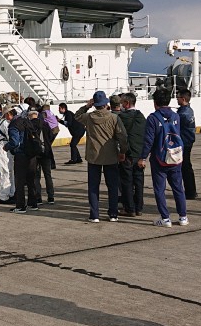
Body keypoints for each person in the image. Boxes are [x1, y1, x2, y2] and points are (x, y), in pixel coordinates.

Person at [76, 91, 129, 223]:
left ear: (95, 104)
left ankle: (94, 215)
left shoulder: (88, 117)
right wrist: (122, 152)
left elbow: (76, 116)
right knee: (112, 186)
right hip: (111, 156)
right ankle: (113, 214)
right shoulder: (114, 118)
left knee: (93, 186)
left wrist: (87, 106)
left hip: (94, 156)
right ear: (106, 104)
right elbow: (122, 137)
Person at [142, 88, 188, 227]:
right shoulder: (176, 116)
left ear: (155, 102)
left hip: (159, 158)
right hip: (176, 156)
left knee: (159, 189)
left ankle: (165, 218)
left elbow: (149, 141)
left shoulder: (152, 118)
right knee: (178, 188)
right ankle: (183, 217)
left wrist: (143, 157)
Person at [5, 106, 42, 214]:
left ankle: (20, 206)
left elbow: (15, 142)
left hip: (21, 155)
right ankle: (33, 203)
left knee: (20, 181)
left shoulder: (13, 125)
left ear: (9, 114)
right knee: (31, 180)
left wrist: (7, 146)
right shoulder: (26, 121)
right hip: (32, 154)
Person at [117, 93, 146, 217]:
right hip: (139, 154)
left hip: (128, 154)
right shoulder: (141, 116)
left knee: (127, 182)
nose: (120, 105)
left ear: (126, 104)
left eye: (122, 103)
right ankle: (139, 207)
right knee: (138, 181)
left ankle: (129, 208)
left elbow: (121, 136)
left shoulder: (122, 117)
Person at [175, 88, 198, 199]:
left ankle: (190, 192)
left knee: (185, 167)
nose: (176, 99)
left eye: (178, 97)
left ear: (183, 99)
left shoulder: (183, 113)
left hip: (184, 142)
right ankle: (191, 191)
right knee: (186, 167)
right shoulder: (189, 110)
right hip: (188, 141)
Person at [0, 107, 16, 204]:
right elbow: (10, 136)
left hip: (6, 147)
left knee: (10, 171)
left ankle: (11, 193)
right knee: (5, 171)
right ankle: (3, 196)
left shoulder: (5, 122)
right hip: (3, 147)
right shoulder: (5, 123)